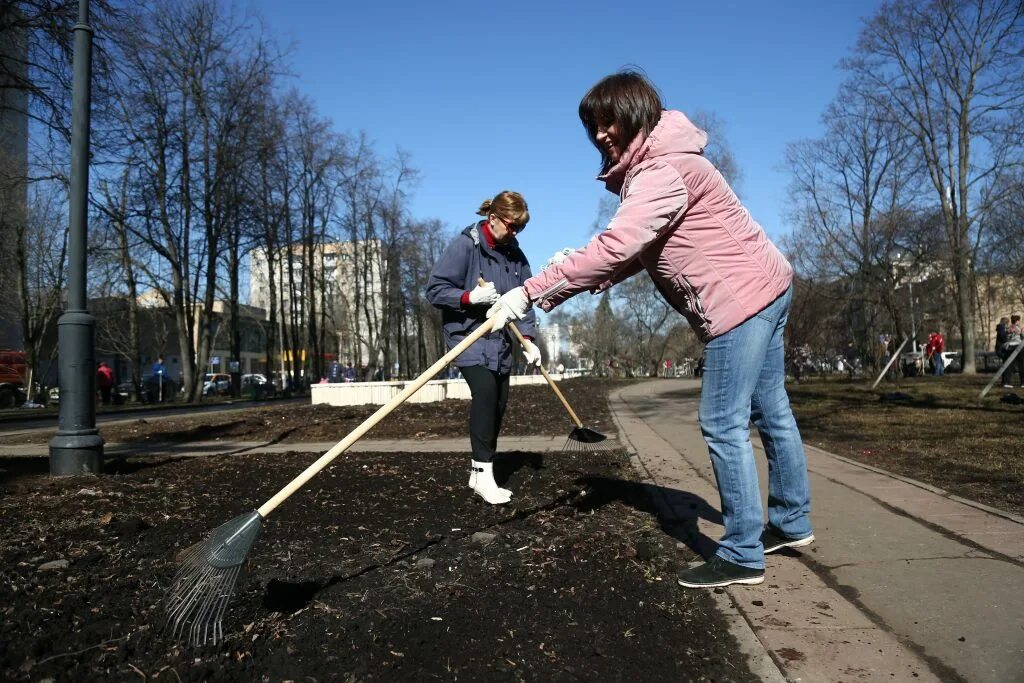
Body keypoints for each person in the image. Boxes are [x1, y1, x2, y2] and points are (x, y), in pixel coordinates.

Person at [487, 71, 813, 586]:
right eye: (593, 126)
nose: (600, 134)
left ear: (636, 112)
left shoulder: (661, 171)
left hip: (739, 302)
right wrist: (581, 273)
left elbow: (619, 245)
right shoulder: (669, 161)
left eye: (607, 121)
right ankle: (792, 522)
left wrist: (531, 291)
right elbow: (640, 248)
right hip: (769, 284)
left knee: (723, 421)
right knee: (770, 407)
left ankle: (742, 553)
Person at [426, 191, 541, 504]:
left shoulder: (515, 255)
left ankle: (480, 474)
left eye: (521, 228)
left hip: (501, 342)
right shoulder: (466, 245)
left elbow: (526, 299)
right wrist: (469, 298)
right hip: (469, 337)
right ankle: (483, 473)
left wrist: (528, 340)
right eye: (512, 226)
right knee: (486, 395)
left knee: (500, 402)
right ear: (493, 219)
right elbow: (435, 290)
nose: (515, 233)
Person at [1004, 315, 1023, 388]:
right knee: (1021, 364)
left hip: (1011, 346)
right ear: (1017, 321)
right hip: (1017, 346)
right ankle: (1022, 382)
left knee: (1010, 364)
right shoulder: (1015, 328)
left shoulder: (1009, 327)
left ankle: (1007, 382)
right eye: (1019, 320)